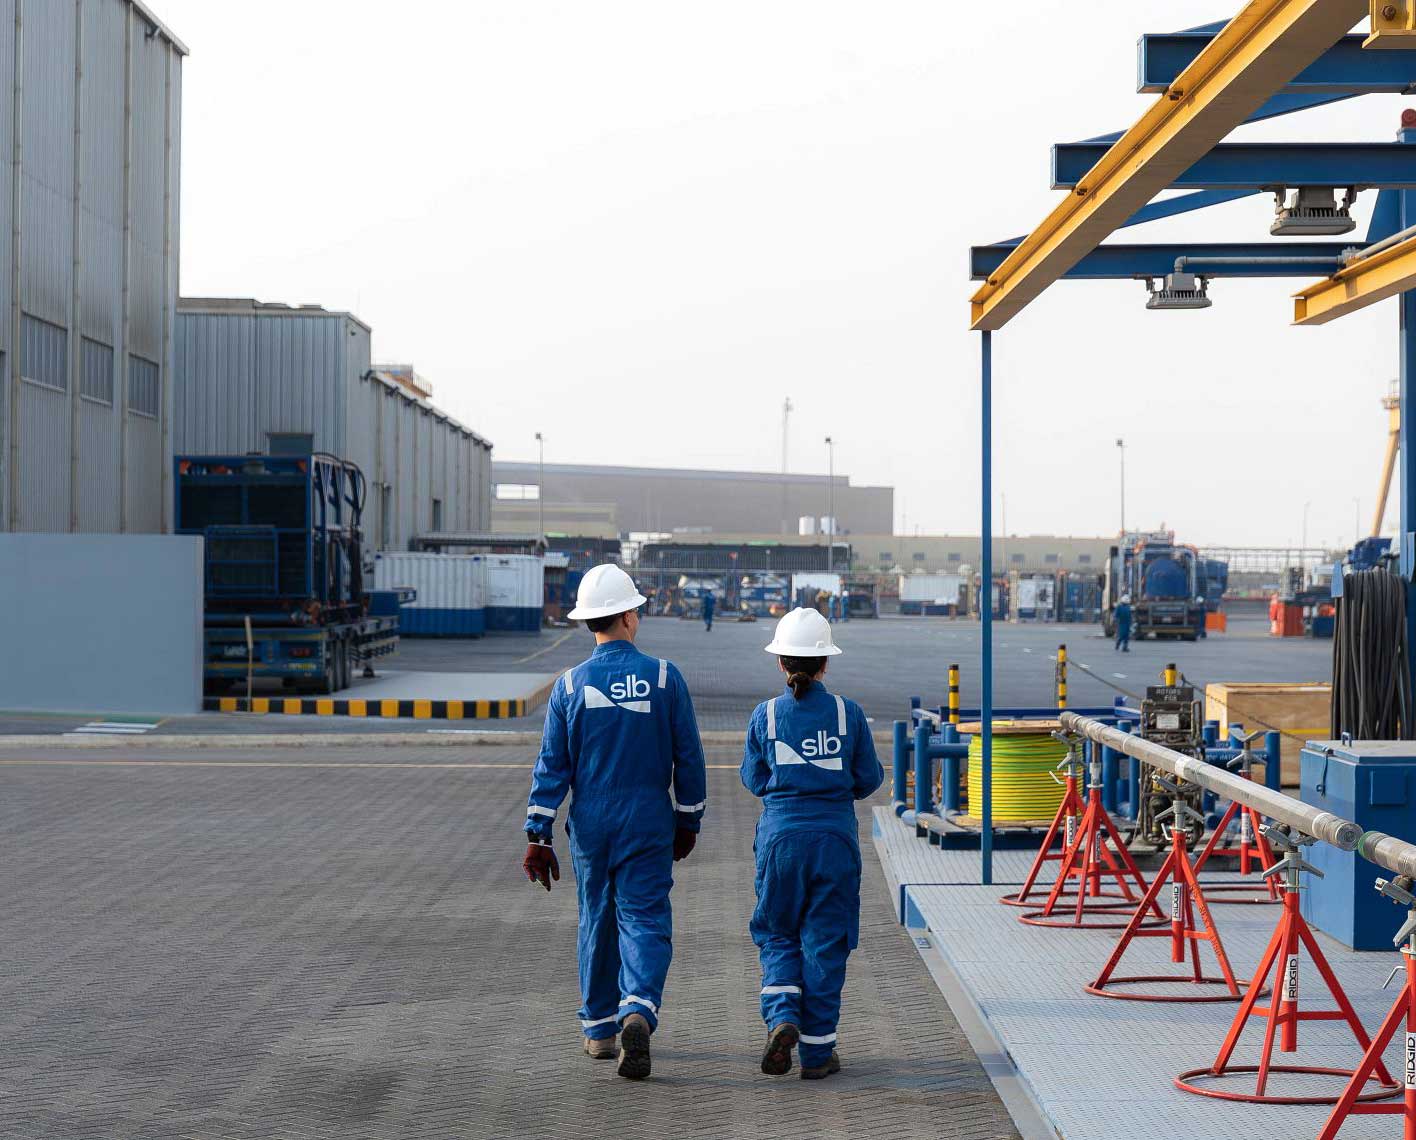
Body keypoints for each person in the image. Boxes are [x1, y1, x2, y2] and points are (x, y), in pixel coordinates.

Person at [522, 563, 707, 1081]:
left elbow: (551, 765)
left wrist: (538, 834)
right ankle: (638, 1010)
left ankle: (601, 1030)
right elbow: (688, 759)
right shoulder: (666, 678)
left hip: (591, 822)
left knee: (596, 916)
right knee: (645, 917)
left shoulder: (568, 685)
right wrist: (688, 819)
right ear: (629, 615)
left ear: (590, 622)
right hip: (648, 818)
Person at [740, 608, 883, 1081]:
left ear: (780, 664)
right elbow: (868, 779)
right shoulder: (849, 713)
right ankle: (818, 1054)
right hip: (835, 843)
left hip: (781, 841)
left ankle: (782, 1017)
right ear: (826, 664)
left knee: (779, 932)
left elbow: (754, 778)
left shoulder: (767, 714)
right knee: (825, 941)